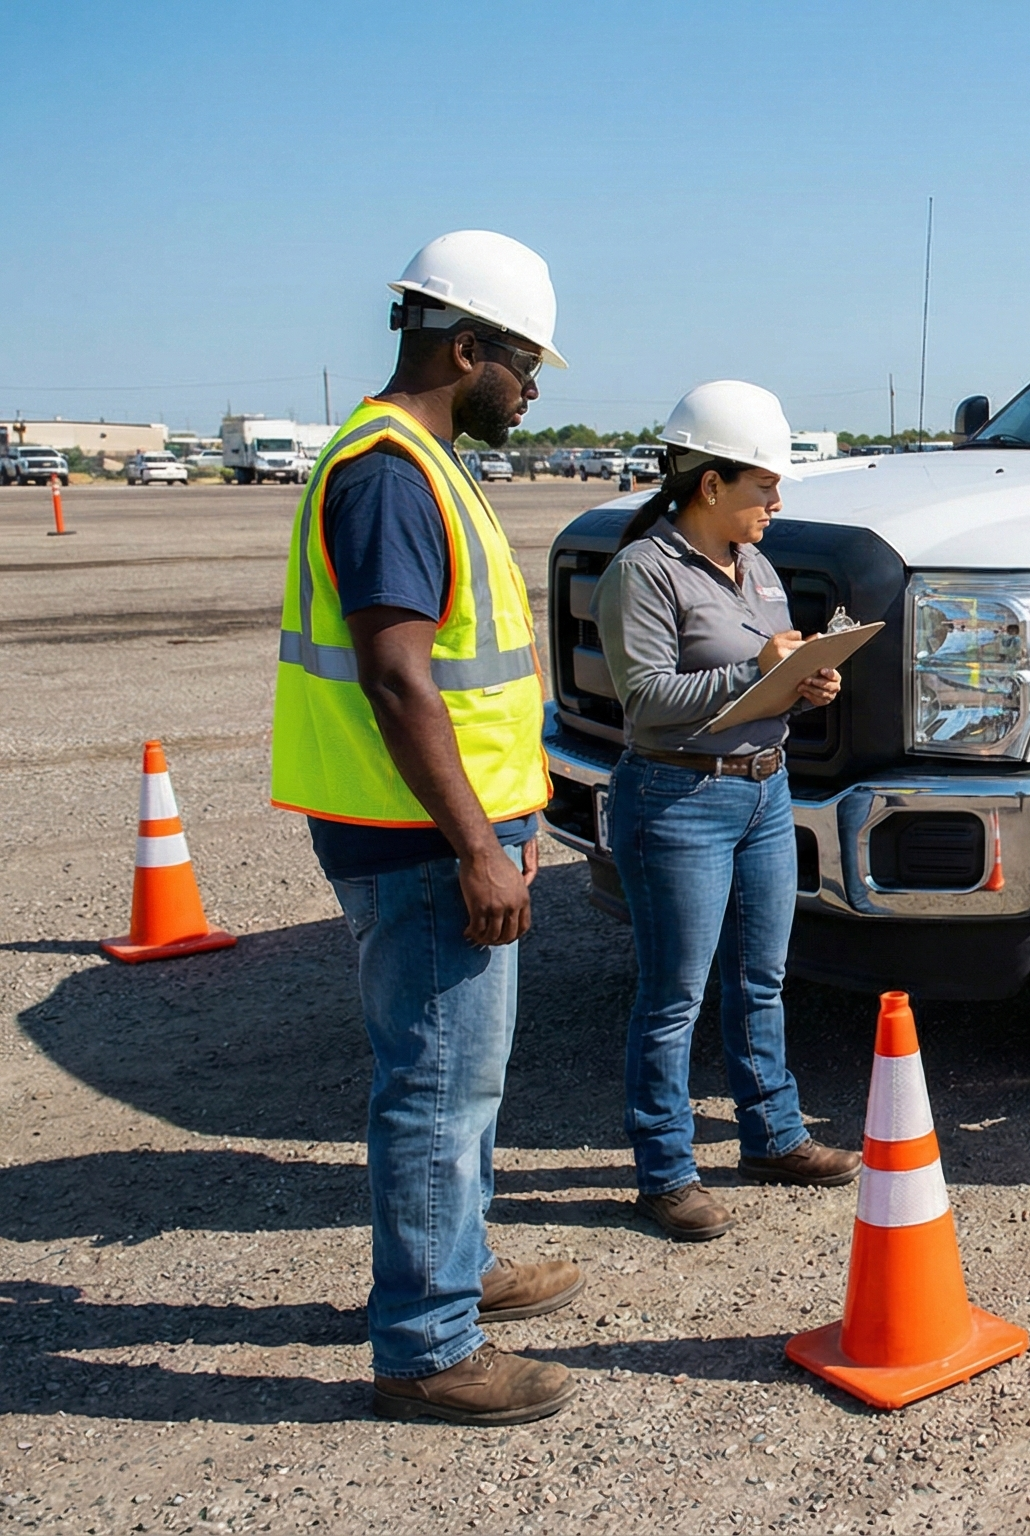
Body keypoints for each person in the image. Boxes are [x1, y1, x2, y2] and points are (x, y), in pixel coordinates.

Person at [270, 230, 581, 1425]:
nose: (532, 389)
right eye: (524, 366)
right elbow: (401, 679)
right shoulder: (394, 472)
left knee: (463, 1075)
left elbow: (465, 677)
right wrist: (469, 846)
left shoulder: (419, 462)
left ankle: (461, 1266)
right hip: (417, 839)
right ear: (466, 348)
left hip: (449, 825)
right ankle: (426, 1344)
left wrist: (510, 818)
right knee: (437, 1086)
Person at [594, 381, 862, 1240]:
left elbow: (764, 674)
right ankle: (665, 1173)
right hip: (678, 798)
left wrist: (806, 682)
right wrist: (758, 673)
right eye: (763, 487)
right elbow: (646, 700)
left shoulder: (759, 566)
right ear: (709, 484)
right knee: (672, 998)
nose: (777, 503)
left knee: (761, 979)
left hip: (763, 788)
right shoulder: (644, 571)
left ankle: (772, 1136)